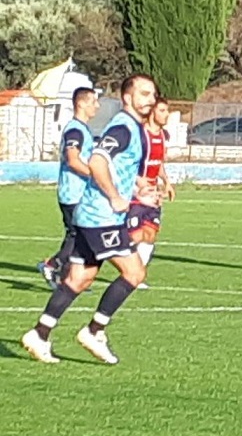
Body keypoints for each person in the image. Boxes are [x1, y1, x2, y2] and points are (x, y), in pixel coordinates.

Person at [21, 74, 158, 365]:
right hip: (102, 217)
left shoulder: (131, 127)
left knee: (78, 279)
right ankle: (94, 331)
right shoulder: (123, 127)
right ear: (127, 97)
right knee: (134, 273)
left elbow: (114, 167)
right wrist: (115, 197)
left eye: (153, 95)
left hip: (90, 214)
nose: (150, 99)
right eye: (144, 94)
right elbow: (97, 161)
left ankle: (40, 334)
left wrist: (136, 190)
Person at [38, 87, 99, 288]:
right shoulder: (75, 130)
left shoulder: (82, 129)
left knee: (79, 235)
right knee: (79, 235)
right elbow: (73, 160)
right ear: (81, 103)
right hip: (73, 193)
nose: (97, 106)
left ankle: (65, 278)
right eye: (93, 101)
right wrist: (95, 175)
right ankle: (52, 265)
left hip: (80, 193)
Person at [127, 97, 175, 289]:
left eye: (167, 110)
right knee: (135, 236)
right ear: (152, 112)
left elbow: (158, 162)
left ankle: (136, 277)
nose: (167, 114)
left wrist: (167, 182)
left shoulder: (163, 135)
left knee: (150, 235)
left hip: (153, 193)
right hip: (136, 192)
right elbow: (128, 163)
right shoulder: (140, 134)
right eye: (162, 111)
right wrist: (137, 184)